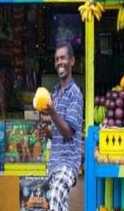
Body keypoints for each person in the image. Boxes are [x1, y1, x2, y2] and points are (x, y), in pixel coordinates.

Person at [40, 41, 83, 211]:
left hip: (68, 162)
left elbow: (68, 134)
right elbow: (59, 132)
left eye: (63, 58)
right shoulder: (55, 93)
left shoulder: (75, 94)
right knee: (57, 204)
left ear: (72, 61)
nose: (59, 62)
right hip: (54, 163)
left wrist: (52, 112)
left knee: (56, 195)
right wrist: (48, 133)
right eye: (57, 59)